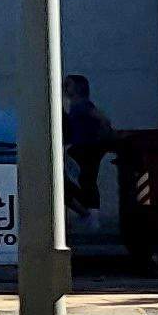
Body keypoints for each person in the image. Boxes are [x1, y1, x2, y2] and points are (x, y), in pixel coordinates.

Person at [65, 73, 116, 215]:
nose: (64, 88)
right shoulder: (75, 106)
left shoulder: (82, 105)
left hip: (86, 148)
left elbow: (103, 119)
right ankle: (88, 210)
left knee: (86, 179)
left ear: (77, 88)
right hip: (82, 148)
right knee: (84, 179)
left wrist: (99, 139)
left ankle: (89, 212)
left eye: (68, 85)